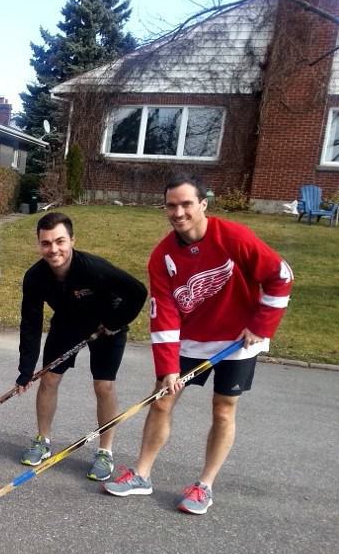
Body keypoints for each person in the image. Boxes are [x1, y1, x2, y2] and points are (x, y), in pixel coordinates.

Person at [103, 174, 293, 514]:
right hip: (190, 340)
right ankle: (141, 474)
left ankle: (204, 486)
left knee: (223, 408)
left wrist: (261, 325)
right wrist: (168, 368)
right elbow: (164, 314)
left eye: (186, 204)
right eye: (172, 205)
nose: (179, 212)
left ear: (203, 204)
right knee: (162, 401)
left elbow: (280, 276)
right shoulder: (162, 256)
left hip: (238, 340)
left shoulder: (233, 237)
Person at [16, 212, 147, 481]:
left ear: (72, 240)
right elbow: (30, 323)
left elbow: (137, 291)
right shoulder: (35, 277)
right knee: (48, 378)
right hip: (67, 325)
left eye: (60, 241)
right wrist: (26, 368)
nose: (53, 249)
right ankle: (42, 440)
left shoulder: (93, 268)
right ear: (39, 244)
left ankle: (105, 451)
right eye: (46, 243)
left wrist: (114, 322)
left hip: (107, 326)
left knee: (103, 386)